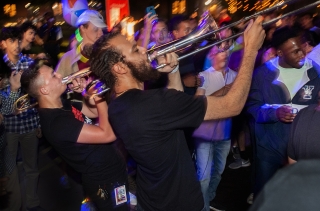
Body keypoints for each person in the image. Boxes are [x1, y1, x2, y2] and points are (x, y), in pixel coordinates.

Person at [88, 16, 265, 210]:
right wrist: (251, 51)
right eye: (134, 50)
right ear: (120, 68)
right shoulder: (152, 103)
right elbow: (233, 105)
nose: (144, 49)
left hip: (155, 198)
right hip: (180, 203)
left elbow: (174, 112)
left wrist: (173, 71)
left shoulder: (117, 104)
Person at [20, 60, 129, 211]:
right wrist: (98, 95)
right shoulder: (56, 123)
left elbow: (94, 112)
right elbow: (108, 134)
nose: (59, 74)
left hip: (112, 170)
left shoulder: (61, 104)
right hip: (103, 181)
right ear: (44, 90)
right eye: (53, 75)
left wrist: (86, 93)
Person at [246, 26, 320, 197]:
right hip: (269, 145)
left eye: (302, 49)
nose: (302, 54)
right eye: (295, 52)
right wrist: (275, 113)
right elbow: (252, 106)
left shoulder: (315, 71)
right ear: (280, 53)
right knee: (264, 193)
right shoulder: (262, 74)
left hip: (301, 148)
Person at [0, 27, 43, 211]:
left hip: (29, 125)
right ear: (3, 44)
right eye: (11, 41)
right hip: (8, 129)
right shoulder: (1, 67)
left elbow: (38, 96)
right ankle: (14, 206)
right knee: (11, 171)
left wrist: (40, 122)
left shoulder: (28, 64)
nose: (16, 45)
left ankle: (32, 203)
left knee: (31, 167)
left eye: (18, 40)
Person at [192, 44, 238, 211]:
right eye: (219, 51)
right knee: (203, 176)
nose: (224, 53)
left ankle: (208, 198)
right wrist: (223, 91)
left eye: (226, 50)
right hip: (204, 134)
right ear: (211, 55)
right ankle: (203, 207)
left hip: (224, 134)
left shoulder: (235, 76)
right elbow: (197, 105)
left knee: (218, 172)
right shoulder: (204, 76)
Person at [55, 10, 107, 77]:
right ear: (83, 28)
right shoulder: (66, 60)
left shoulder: (107, 54)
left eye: (102, 29)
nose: (101, 33)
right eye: (96, 29)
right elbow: (56, 85)